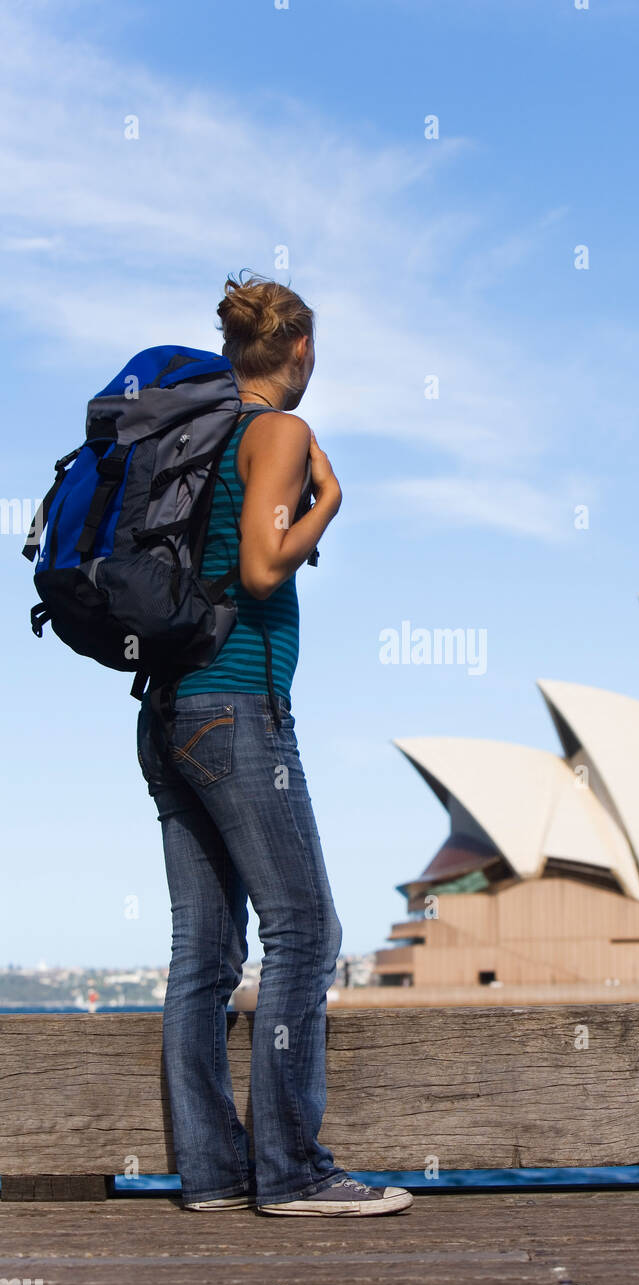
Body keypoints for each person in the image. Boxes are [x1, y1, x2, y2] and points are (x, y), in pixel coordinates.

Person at [136, 273, 413, 1217]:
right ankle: (292, 1172)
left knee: (204, 953)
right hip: (237, 708)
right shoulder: (279, 436)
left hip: (168, 712)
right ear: (299, 351)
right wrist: (327, 501)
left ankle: (213, 1176)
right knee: (306, 931)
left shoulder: (199, 439)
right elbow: (261, 568)